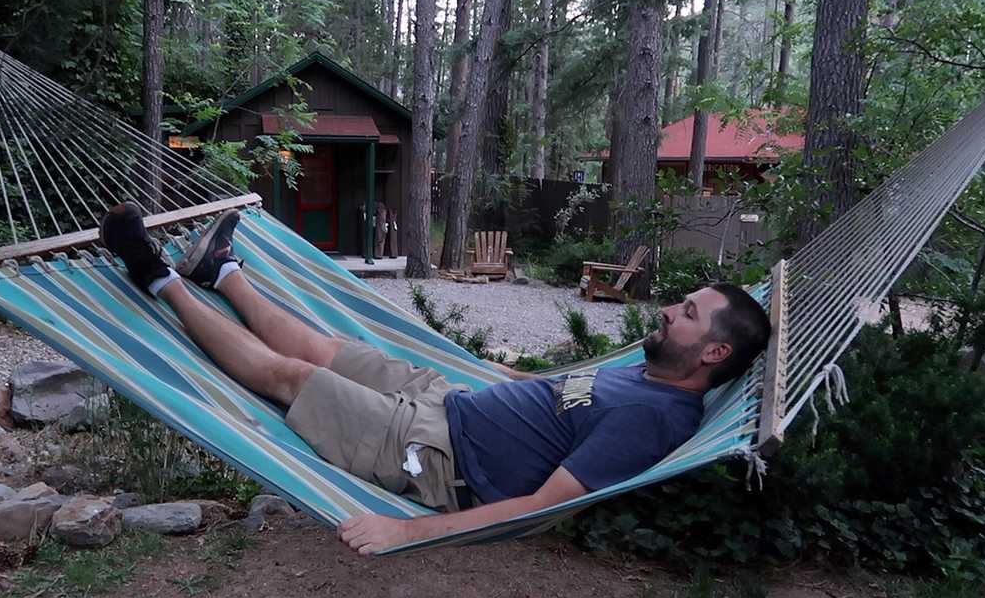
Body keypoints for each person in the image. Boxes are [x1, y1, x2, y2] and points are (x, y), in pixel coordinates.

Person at [98, 204, 771, 554]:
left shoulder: (653, 419)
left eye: (686, 314)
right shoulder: (646, 373)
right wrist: (493, 372)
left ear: (714, 353)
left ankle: (153, 274)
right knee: (325, 343)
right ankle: (221, 272)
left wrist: (404, 530)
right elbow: (563, 393)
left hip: (437, 456)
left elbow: (541, 506)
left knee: (291, 374)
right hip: (451, 396)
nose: (665, 312)